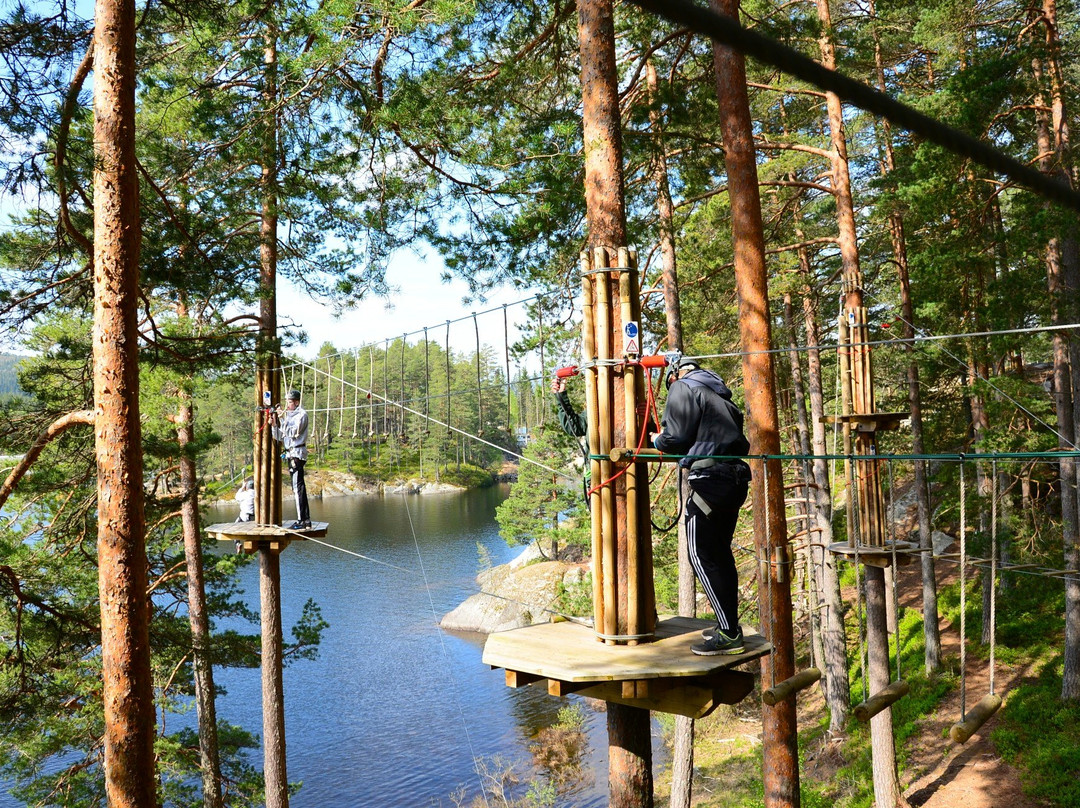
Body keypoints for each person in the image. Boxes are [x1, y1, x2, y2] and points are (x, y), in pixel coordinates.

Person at [652, 358, 752, 655]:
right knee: (720, 556)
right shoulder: (721, 397)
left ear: (675, 375)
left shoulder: (684, 386)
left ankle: (730, 634)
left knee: (701, 555)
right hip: (733, 480)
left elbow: (676, 438)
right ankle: (728, 624)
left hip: (709, 480)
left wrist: (659, 440)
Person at [272, 389, 311, 530]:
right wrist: (275, 423)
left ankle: (303, 520)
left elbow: (293, 432)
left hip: (297, 453)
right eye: (287, 402)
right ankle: (305, 520)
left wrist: (282, 418)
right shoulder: (288, 415)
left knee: (297, 487)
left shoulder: (301, 415)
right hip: (290, 453)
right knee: (298, 487)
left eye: (289, 402)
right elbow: (280, 436)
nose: (287, 405)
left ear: (296, 402)